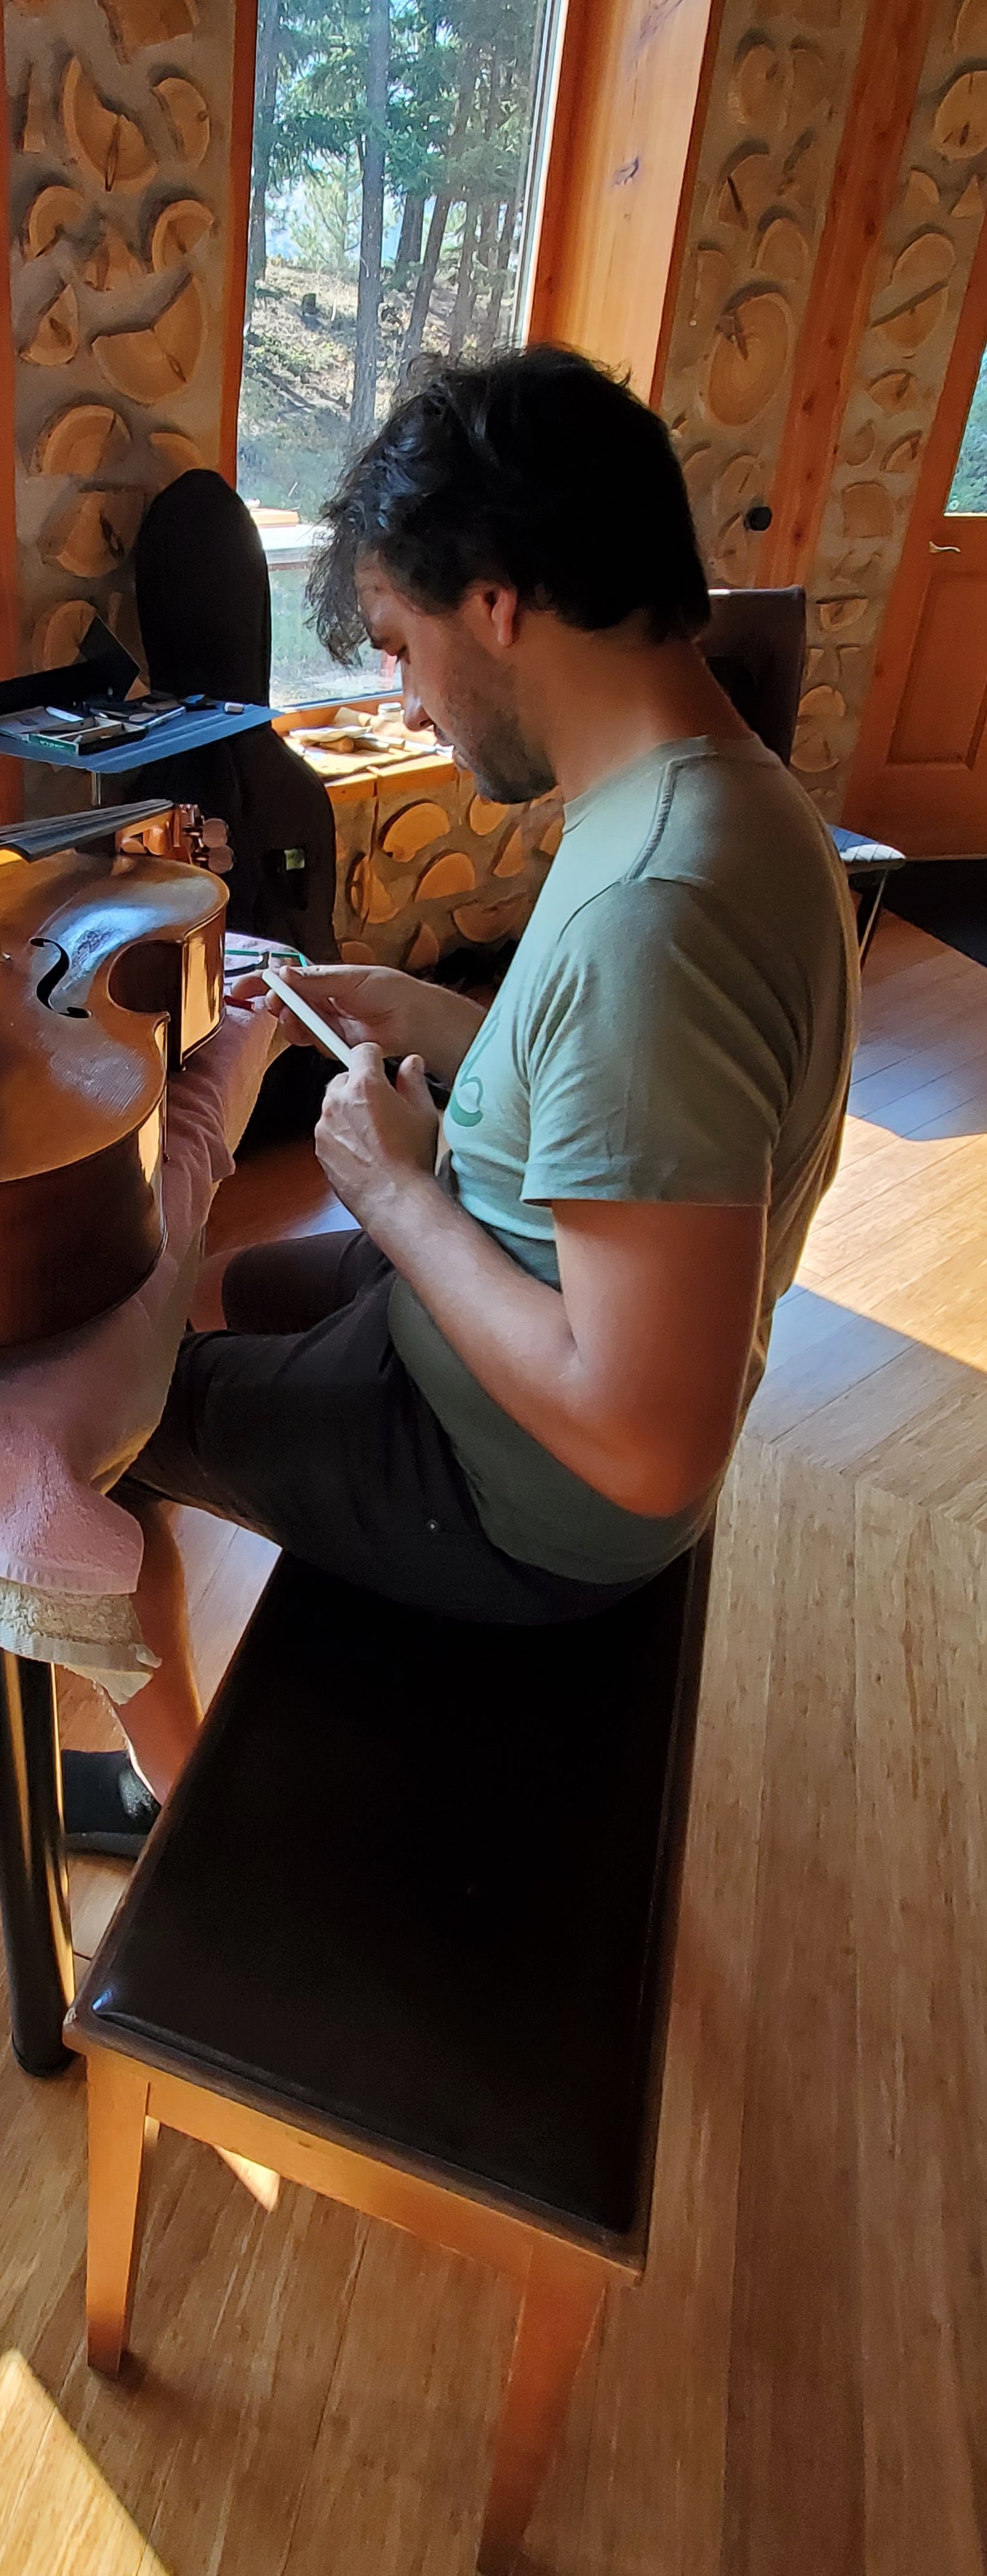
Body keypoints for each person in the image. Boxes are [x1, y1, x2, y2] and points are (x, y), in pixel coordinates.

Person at [61, 344, 857, 1856]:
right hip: (491, 1342)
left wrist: (394, 1191)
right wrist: (447, 1027)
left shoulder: (654, 915)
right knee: (203, 1294)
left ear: (494, 595)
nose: (400, 692)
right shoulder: (714, 793)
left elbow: (647, 1442)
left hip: (524, 1499)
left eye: (394, 638)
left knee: (85, 1430)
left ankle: (184, 1821)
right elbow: (629, 1093)